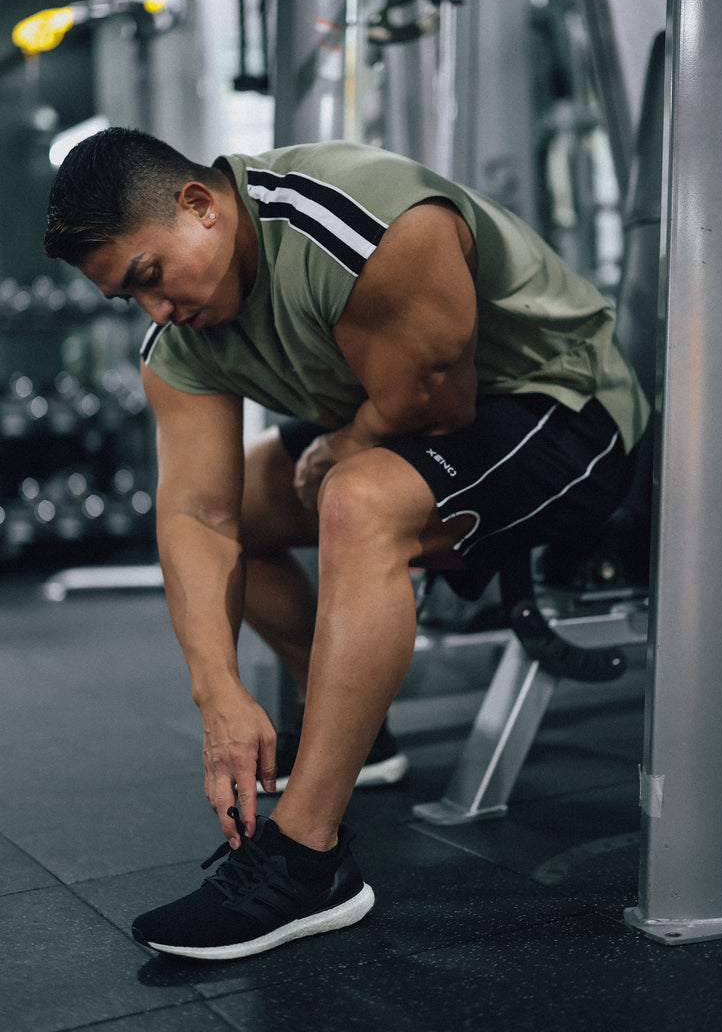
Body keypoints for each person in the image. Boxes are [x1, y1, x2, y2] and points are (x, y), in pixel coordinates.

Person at [44, 128, 649, 961]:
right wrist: (216, 693)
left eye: (150, 276)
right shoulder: (179, 341)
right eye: (129, 299)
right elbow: (196, 516)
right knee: (253, 499)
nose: (156, 311)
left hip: (563, 411)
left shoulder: (375, 226)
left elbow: (438, 406)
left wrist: (343, 445)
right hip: (394, 417)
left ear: (199, 204)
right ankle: (366, 742)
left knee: (356, 499)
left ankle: (308, 860)